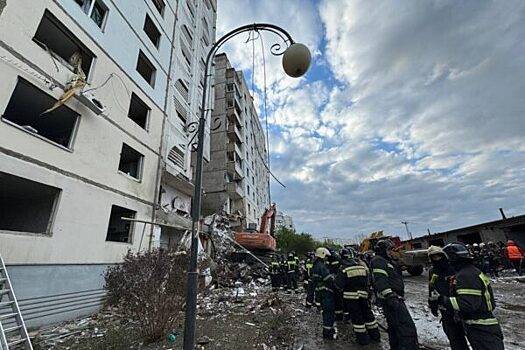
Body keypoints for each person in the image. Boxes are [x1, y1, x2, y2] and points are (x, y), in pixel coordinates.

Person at [441, 243, 504, 350]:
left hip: (481, 327)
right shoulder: (471, 271)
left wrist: (443, 300)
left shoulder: (466, 276)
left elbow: (468, 304)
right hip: (483, 325)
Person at [371, 239, 419, 350]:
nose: (391, 252)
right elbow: (380, 280)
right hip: (392, 299)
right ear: (382, 250)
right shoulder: (378, 261)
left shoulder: (387, 261)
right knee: (406, 328)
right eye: (388, 249)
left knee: (394, 328)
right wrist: (390, 295)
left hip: (394, 298)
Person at [427, 246, 468, 350]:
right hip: (445, 309)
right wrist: (433, 305)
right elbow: (432, 289)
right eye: (433, 257)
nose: (436, 259)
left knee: (471, 335)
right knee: (455, 338)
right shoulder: (432, 271)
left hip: (460, 306)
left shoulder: (453, 268)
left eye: (438, 256)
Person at [337, 247, 380, 345]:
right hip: (364, 296)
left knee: (357, 319)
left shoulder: (343, 269)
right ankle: (375, 336)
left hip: (351, 298)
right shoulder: (361, 267)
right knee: (368, 315)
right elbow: (368, 281)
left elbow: (338, 285)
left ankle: (363, 340)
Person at [311, 247, 337, 339]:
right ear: (322, 255)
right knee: (329, 312)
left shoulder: (316, 265)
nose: (327, 258)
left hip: (320, 292)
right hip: (326, 292)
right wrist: (334, 277)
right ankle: (328, 334)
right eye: (326, 256)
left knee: (326, 312)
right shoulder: (321, 266)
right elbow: (327, 278)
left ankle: (328, 331)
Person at [327, 249, 344, 321]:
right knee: (339, 298)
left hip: (336, 281)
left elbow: (332, 269)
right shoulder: (336, 257)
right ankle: (340, 315)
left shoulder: (333, 258)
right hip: (338, 280)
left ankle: (339, 316)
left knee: (337, 298)